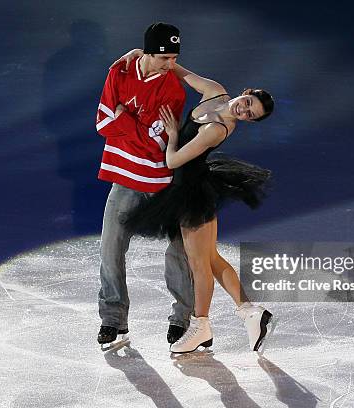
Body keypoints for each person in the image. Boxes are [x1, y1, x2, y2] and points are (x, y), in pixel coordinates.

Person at [116, 49, 275, 353]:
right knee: (212, 259)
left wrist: (174, 135)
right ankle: (250, 313)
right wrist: (145, 55)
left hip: (192, 191)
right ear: (245, 92)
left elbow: (174, 161)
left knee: (200, 264)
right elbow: (178, 70)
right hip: (191, 186)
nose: (244, 111)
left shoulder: (217, 129)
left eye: (250, 115)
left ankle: (201, 326)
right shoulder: (214, 91)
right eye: (248, 103)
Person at [94, 23, 195, 347]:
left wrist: (124, 119)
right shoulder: (119, 73)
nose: (171, 66)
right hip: (125, 177)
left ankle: (181, 319)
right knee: (110, 248)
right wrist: (134, 125)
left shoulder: (174, 91)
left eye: (175, 58)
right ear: (148, 52)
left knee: (179, 251)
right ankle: (113, 320)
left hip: (161, 181)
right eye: (165, 58)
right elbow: (102, 122)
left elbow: (159, 143)